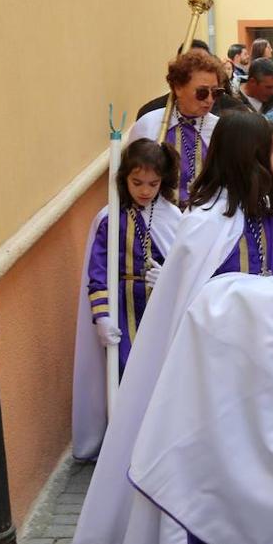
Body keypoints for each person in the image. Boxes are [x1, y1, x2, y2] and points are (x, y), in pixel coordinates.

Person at [69, 111, 273, 544]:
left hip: (268, 374)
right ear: (250, 158)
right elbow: (187, 311)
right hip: (212, 382)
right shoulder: (203, 226)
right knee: (216, 466)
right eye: (272, 151)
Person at [71, 139, 182, 461]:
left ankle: (158, 442)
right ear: (124, 179)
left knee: (161, 374)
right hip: (124, 310)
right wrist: (102, 316)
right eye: (137, 183)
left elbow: (185, 263)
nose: (145, 191)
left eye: (152, 184)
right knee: (126, 374)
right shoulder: (111, 218)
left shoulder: (173, 216)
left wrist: (170, 277)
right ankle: (125, 445)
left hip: (160, 311)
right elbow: (99, 270)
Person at [130, 51, 226, 207]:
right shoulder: (149, 124)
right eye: (202, 92)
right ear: (178, 88)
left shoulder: (220, 129)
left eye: (216, 92)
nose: (209, 99)